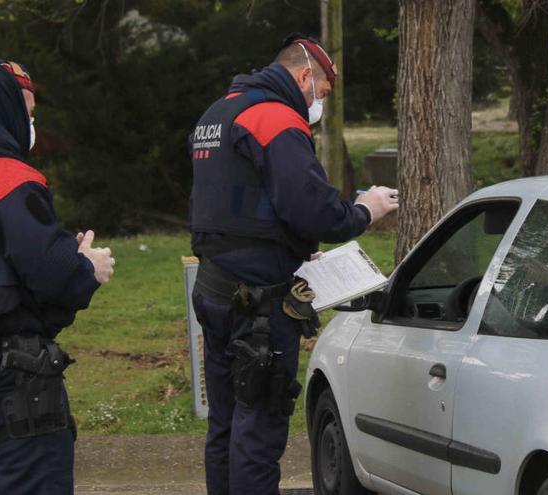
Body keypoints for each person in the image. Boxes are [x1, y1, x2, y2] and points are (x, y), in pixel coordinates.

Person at [189, 33, 398, 494]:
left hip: (214, 291)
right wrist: (366, 210)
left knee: (224, 424)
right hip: (259, 309)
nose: (319, 103)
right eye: (321, 92)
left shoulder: (218, 113)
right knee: (258, 430)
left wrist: (291, 246)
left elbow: (240, 206)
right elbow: (313, 208)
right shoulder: (275, 119)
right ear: (305, 76)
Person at [0, 58, 115, 494]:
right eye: (27, 110)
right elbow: (52, 275)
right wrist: (87, 267)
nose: (31, 121)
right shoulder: (1, 172)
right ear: (3, 107)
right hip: (6, 381)